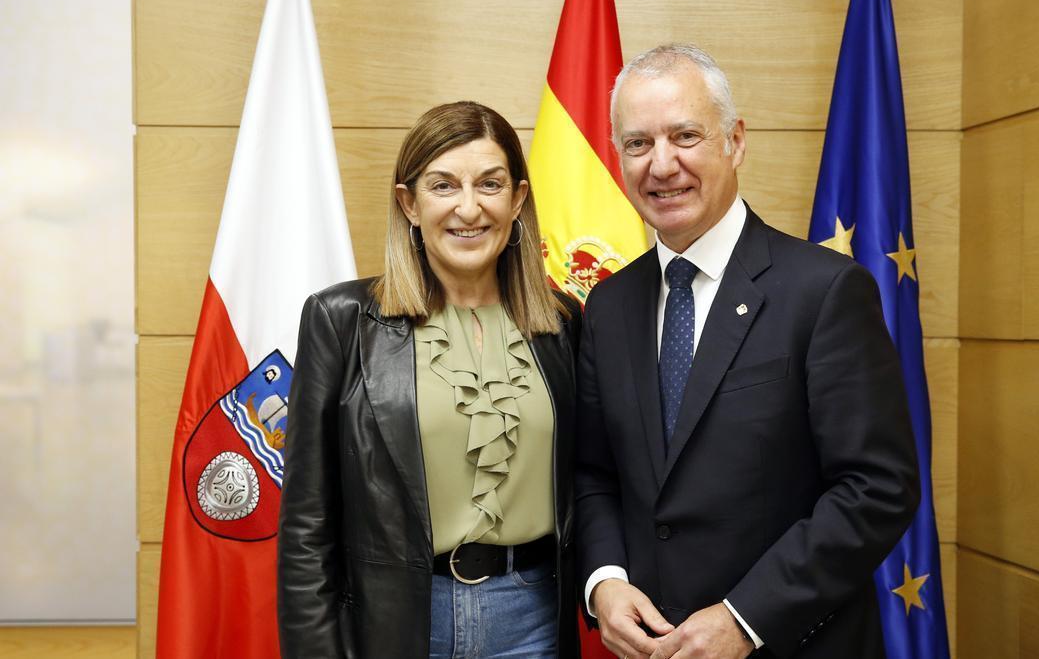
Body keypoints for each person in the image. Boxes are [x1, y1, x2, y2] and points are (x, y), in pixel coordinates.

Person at [575, 44, 920, 659]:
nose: (661, 165)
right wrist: (605, 582)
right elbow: (596, 473)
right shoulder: (608, 305)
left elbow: (877, 487)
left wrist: (746, 618)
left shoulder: (824, 291)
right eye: (637, 143)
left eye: (685, 136)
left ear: (734, 141)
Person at [278, 101, 581, 658]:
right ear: (409, 203)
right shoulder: (340, 322)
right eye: (443, 185)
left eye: (489, 184)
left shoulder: (563, 325)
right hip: (395, 624)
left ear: (517, 200)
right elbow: (305, 528)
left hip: (534, 622)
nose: (469, 208)